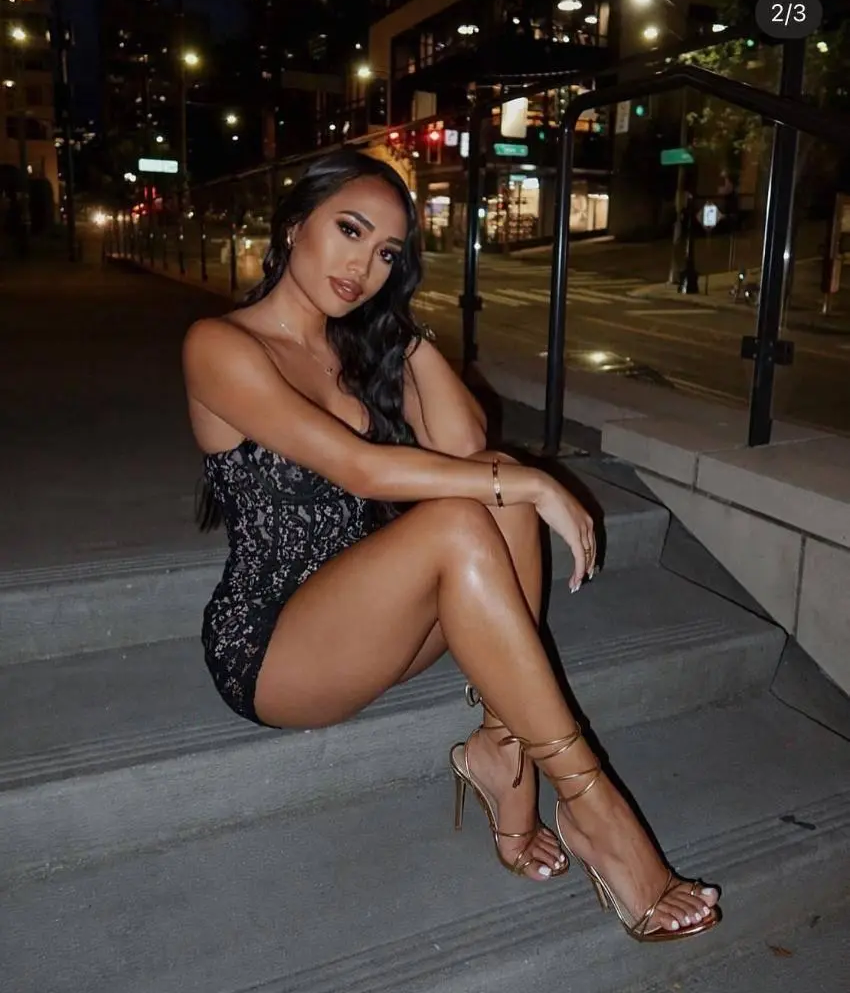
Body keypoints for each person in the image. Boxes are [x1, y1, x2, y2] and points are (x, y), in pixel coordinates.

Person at [182, 149, 720, 942]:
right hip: (277, 651)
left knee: (492, 495)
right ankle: (592, 805)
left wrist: (400, 333)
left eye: (386, 254)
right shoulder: (219, 344)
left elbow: (467, 445)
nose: (363, 266)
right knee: (473, 510)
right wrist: (530, 484)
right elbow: (361, 470)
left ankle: (504, 749)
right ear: (294, 226)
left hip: (377, 627)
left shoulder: (354, 347)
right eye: (350, 231)